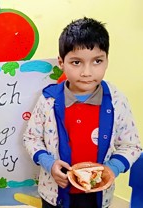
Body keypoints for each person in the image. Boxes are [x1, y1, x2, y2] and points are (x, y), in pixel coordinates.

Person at [22, 17, 142, 208]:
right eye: (76, 62)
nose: (87, 72)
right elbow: (31, 138)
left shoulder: (117, 100)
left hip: (98, 196)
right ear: (61, 62)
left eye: (97, 61)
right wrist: (48, 163)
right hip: (54, 194)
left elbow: (132, 146)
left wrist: (113, 169)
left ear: (107, 60)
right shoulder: (48, 100)